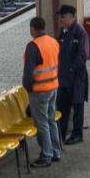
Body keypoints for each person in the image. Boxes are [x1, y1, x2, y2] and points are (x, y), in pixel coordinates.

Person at [22, 17, 62, 166]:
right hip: (53, 88)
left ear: (32, 28)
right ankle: (56, 152)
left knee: (42, 123)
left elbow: (28, 74)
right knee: (51, 120)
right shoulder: (53, 42)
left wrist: (28, 90)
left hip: (39, 91)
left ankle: (46, 155)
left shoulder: (33, 46)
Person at [55, 4, 89, 145]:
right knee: (62, 107)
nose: (61, 19)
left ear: (70, 17)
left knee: (77, 106)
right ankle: (60, 134)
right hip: (64, 78)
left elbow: (83, 55)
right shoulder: (64, 32)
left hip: (76, 78)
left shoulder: (80, 33)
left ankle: (77, 134)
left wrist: (70, 69)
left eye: (62, 17)